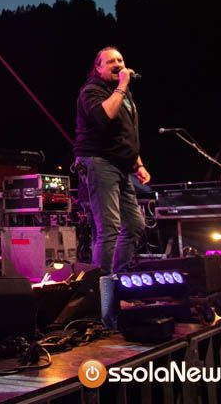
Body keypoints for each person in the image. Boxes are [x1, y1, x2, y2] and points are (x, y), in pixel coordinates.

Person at [73, 46, 151, 274]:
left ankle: (117, 276)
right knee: (109, 228)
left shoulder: (122, 93)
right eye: (110, 62)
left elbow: (125, 133)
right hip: (99, 161)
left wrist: (138, 164)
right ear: (98, 68)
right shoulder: (91, 90)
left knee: (134, 225)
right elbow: (104, 117)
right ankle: (101, 287)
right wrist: (123, 85)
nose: (118, 65)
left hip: (121, 165)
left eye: (120, 60)